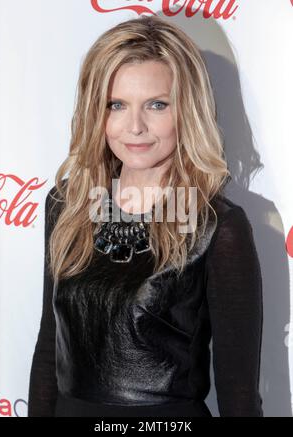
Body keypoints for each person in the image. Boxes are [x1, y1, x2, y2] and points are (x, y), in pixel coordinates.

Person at [27, 15, 263, 417]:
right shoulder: (66, 206)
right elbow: (51, 347)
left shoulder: (218, 226)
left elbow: (238, 392)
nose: (134, 127)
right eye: (116, 105)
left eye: (156, 104)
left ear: (186, 109)